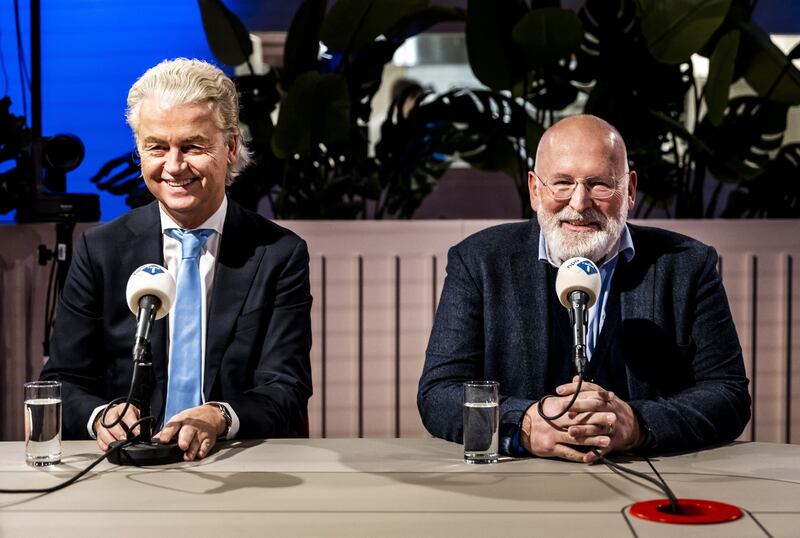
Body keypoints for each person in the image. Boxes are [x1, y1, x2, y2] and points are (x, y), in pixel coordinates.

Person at [418, 114, 751, 463]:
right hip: (517, 486)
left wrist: (637, 424)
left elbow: (728, 394)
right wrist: (524, 424)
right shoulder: (479, 262)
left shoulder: (688, 265)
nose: (579, 203)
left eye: (600, 184)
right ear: (534, 190)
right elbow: (438, 394)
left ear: (630, 190)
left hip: (651, 479)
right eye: (562, 183)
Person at [41, 58, 313, 461]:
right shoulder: (99, 249)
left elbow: (286, 388)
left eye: (192, 146)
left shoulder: (279, 253)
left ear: (231, 146)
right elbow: (63, 380)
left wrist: (219, 415)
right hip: (126, 468)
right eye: (156, 147)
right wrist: (103, 416)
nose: (173, 166)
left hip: (239, 461)